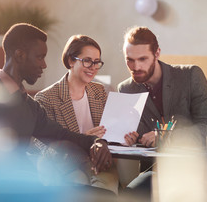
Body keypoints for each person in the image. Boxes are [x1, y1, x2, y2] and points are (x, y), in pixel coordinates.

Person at [0, 23, 113, 185]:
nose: (44, 65)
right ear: (20, 56)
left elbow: (62, 135)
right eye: (40, 57)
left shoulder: (30, 106)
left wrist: (96, 142)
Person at [34, 35, 139, 194]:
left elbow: (109, 133)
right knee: (79, 183)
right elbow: (43, 149)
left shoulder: (99, 91)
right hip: (67, 166)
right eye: (87, 60)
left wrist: (124, 138)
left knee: (108, 187)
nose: (93, 67)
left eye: (97, 62)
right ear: (71, 60)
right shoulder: (46, 98)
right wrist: (82, 138)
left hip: (99, 164)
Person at [118, 26, 207, 148]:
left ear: (157, 53)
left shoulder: (190, 76)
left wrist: (165, 137)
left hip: (189, 162)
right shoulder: (125, 89)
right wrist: (127, 138)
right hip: (147, 164)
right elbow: (131, 135)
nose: (136, 67)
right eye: (130, 60)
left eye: (142, 59)